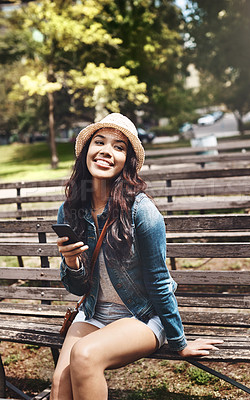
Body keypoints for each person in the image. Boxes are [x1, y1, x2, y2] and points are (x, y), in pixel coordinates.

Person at [50, 113, 223, 400]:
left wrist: (179, 342)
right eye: (100, 141)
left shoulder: (141, 211)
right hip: (94, 313)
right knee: (59, 384)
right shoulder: (70, 209)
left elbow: (158, 279)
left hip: (141, 316)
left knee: (84, 355)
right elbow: (77, 289)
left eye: (119, 147)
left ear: (126, 161)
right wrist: (71, 262)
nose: (107, 150)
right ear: (86, 152)